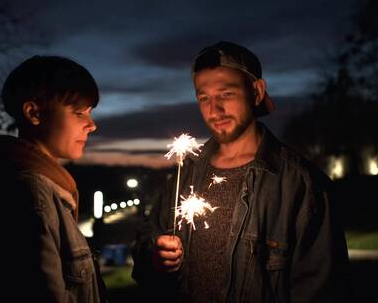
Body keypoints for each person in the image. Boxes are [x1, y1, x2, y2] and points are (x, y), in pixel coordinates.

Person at [132, 41, 349, 302]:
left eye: (226, 94)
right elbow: (145, 255)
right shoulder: (186, 174)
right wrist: (155, 259)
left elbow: (322, 290)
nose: (214, 110)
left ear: (257, 91)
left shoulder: (300, 185)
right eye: (204, 98)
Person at [0, 56, 107, 302]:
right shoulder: (29, 195)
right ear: (34, 113)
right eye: (79, 112)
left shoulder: (46, 190)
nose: (91, 125)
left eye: (90, 112)